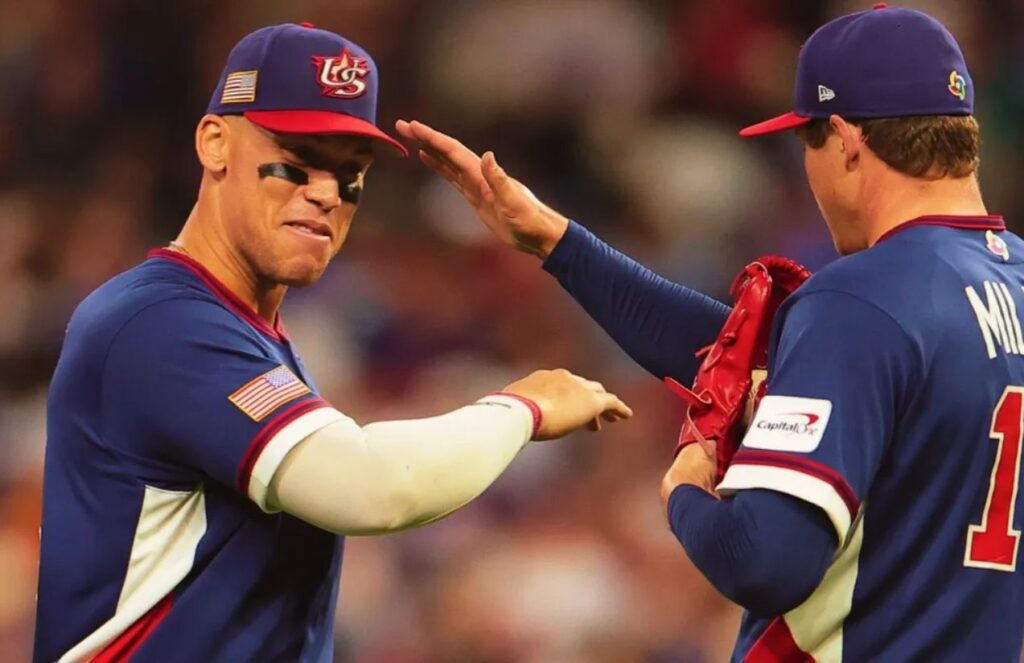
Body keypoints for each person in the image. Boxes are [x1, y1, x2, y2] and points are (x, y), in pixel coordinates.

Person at [399, 4, 1024, 660]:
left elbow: (765, 559)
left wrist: (685, 495)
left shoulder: (861, 298)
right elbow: (749, 359)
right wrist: (559, 243)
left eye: (805, 143)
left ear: (844, 139)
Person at [33, 23, 632, 662]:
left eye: (349, 173)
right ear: (215, 143)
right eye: (297, 159)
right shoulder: (159, 321)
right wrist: (523, 408)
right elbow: (374, 487)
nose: (325, 193)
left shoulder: (246, 333)